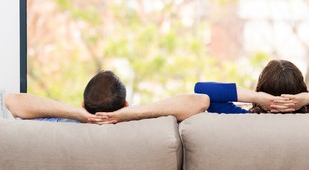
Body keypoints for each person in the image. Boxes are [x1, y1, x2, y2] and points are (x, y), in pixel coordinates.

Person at [1, 70, 210, 124]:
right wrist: (132, 114)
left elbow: (10, 101)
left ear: (83, 104)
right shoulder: (145, 122)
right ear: (126, 104)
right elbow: (200, 101)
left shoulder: (61, 124)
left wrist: (76, 113)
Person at [194, 59, 309, 114]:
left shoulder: (242, 118)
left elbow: (202, 90)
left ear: (262, 87)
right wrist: (306, 99)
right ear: (301, 87)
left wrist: (255, 97)